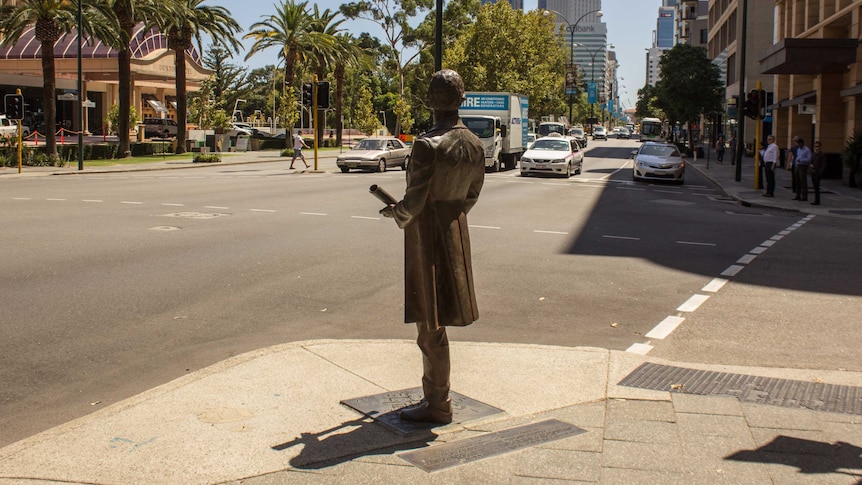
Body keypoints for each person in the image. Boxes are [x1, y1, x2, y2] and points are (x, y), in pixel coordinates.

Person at [380, 69, 485, 424]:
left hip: (427, 237)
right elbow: (471, 195)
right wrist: (452, 216)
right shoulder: (474, 143)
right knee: (434, 322)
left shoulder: (427, 145)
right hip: (455, 232)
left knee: (429, 326)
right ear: (463, 98)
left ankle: (437, 404)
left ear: (430, 101)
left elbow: (414, 201)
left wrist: (397, 213)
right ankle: (437, 398)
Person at [810, 140, 826, 205]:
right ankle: (816, 200)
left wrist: (820, 172)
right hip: (813, 172)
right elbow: (811, 161)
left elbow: (823, 165)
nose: (816, 148)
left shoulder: (822, 155)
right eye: (815, 146)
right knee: (814, 186)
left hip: (818, 172)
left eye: (817, 146)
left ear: (820, 147)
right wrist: (811, 165)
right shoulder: (813, 154)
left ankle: (817, 201)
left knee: (817, 187)